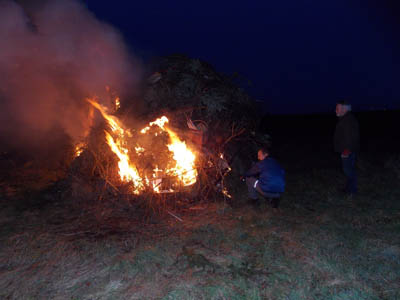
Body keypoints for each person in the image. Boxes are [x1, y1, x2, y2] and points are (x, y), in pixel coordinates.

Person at [334, 100, 360, 195]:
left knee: (349, 170)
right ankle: (349, 189)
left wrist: (346, 151)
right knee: (348, 170)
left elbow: (350, 137)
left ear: (344, 109)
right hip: (348, 150)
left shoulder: (347, 120)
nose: (335, 110)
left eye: (337, 108)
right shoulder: (346, 119)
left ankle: (352, 191)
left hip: (347, 151)